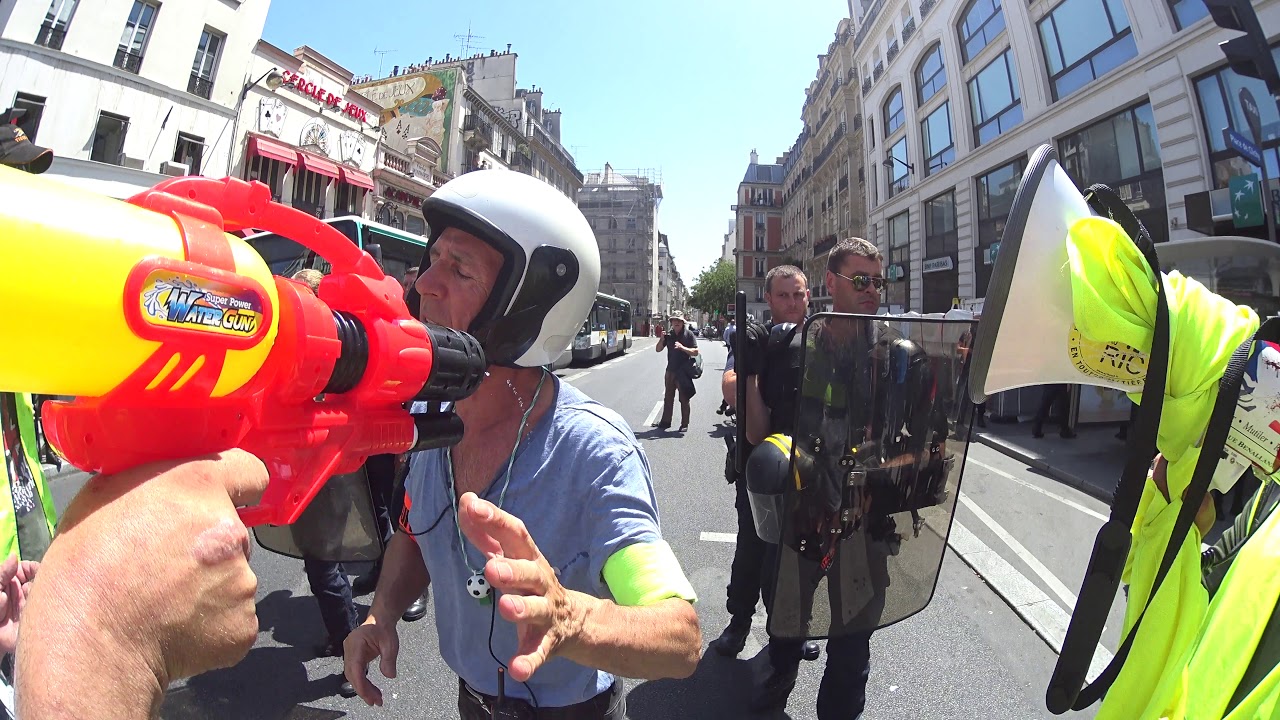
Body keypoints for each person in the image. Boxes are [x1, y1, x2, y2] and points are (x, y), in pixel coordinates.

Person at [343, 169, 700, 718]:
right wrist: (381, 612)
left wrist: (567, 618)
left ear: (526, 305)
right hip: (470, 701)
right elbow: (416, 532)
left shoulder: (594, 452)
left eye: (458, 269)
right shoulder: (432, 421)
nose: (423, 285)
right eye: (433, 260)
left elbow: (679, 636)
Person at [748, 241, 887, 719]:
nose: (872, 291)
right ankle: (772, 695)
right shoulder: (798, 346)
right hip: (805, 508)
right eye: (861, 280)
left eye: (878, 282)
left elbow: (905, 428)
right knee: (788, 623)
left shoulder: (888, 350)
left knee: (853, 646)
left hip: (862, 513)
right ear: (832, 283)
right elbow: (767, 427)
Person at [652, 311, 699, 432]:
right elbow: (658, 350)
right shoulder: (669, 335)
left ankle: (684, 424)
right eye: (674, 320)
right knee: (668, 398)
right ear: (671, 322)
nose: (676, 322)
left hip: (683, 372)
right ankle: (665, 422)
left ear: (683, 322)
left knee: (684, 399)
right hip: (670, 371)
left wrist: (683, 348)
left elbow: (696, 352)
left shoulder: (688, 335)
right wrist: (661, 339)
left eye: (679, 320)